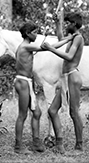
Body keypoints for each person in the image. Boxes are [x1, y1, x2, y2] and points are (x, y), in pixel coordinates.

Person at [41, 11, 84, 152]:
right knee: (52, 110)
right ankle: (59, 144)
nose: (66, 25)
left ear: (74, 24)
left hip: (72, 77)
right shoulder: (72, 37)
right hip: (66, 78)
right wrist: (57, 23)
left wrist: (51, 48)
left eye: (67, 23)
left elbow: (70, 56)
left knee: (74, 112)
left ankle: (79, 146)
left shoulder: (78, 38)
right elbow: (60, 38)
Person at [13, 21, 45, 154]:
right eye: (35, 32)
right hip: (23, 82)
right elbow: (48, 48)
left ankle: (36, 143)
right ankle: (18, 146)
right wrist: (66, 40)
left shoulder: (25, 47)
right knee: (22, 115)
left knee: (37, 112)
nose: (37, 35)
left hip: (26, 82)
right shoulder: (26, 47)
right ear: (27, 34)